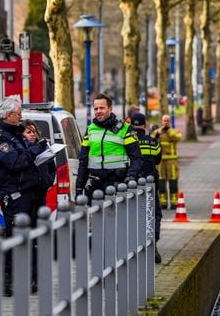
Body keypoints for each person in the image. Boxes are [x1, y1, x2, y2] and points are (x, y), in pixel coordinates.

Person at [0, 96, 46, 296]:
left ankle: (32, 279)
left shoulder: (15, 133)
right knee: (14, 239)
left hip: (29, 192)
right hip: (14, 195)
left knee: (31, 238)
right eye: (18, 114)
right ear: (8, 115)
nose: (21, 117)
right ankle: (9, 283)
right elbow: (16, 162)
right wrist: (37, 149)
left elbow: (26, 155)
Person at [75, 93, 143, 201]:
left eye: (102, 108)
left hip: (118, 185)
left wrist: (130, 177)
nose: (98, 111)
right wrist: (79, 187)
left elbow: (137, 158)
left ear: (110, 109)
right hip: (95, 186)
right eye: (96, 109)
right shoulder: (90, 130)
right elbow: (83, 161)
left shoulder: (125, 129)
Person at [130, 113, 162, 263]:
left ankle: (134, 246)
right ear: (145, 125)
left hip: (133, 183)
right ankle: (152, 244)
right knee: (154, 213)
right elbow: (158, 159)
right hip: (150, 183)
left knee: (134, 213)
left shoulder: (129, 141)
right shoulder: (153, 142)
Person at [154, 114, 182, 209]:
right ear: (161, 122)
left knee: (173, 182)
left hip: (172, 162)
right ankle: (163, 203)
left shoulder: (175, 131)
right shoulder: (157, 132)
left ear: (170, 122)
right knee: (161, 183)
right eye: (164, 120)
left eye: (167, 120)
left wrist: (169, 131)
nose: (166, 122)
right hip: (161, 162)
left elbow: (177, 138)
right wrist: (158, 133)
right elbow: (151, 138)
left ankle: (174, 203)